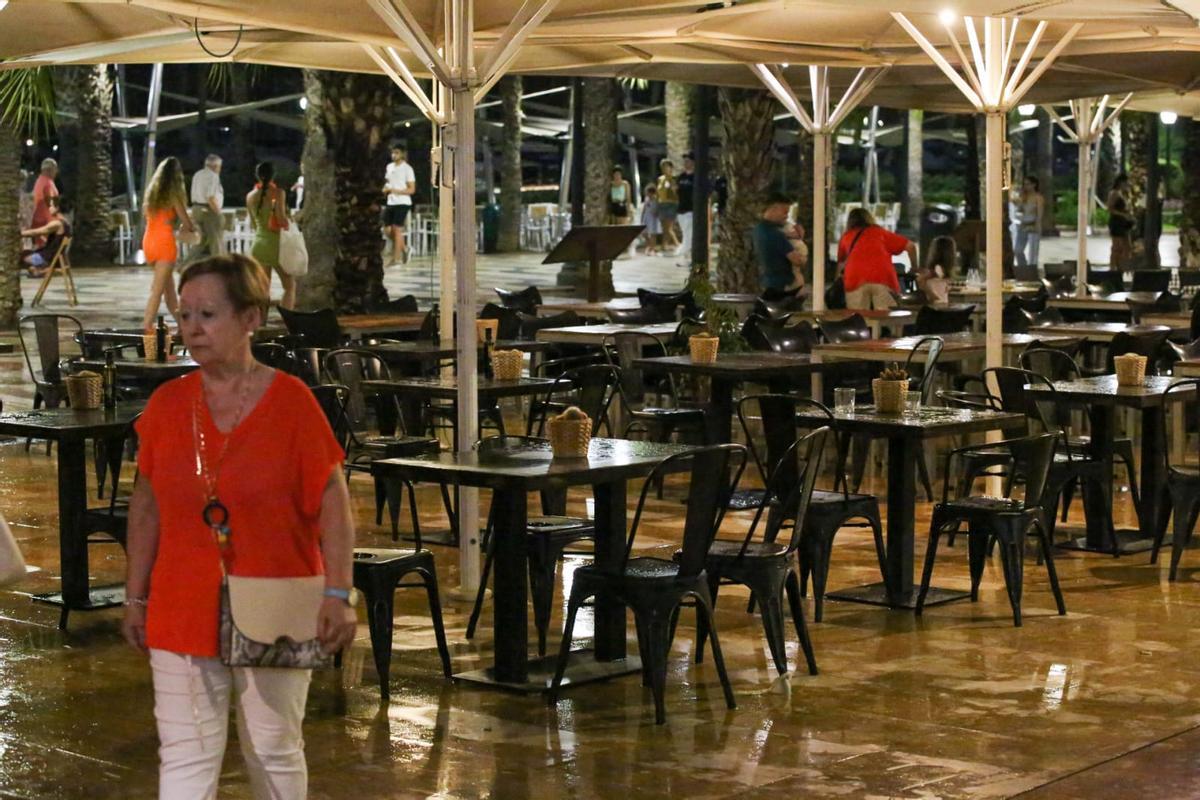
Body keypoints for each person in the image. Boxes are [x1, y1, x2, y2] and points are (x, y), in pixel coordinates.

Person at [121, 253, 356, 800]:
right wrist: (135, 597)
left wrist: (338, 592)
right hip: (182, 603)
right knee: (184, 755)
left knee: (273, 750)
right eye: (184, 316)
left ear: (250, 318)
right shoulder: (167, 404)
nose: (192, 330)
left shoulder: (292, 403)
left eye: (207, 314)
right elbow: (146, 505)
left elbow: (333, 503)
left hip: (277, 597)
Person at [141, 156, 195, 331]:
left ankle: (182, 325)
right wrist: (185, 226)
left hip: (149, 240)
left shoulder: (151, 194)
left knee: (168, 291)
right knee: (157, 291)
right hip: (164, 242)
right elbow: (187, 223)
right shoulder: (173, 195)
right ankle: (147, 328)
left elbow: (146, 215)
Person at [838, 207, 917, 310]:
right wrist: (914, 267)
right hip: (883, 277)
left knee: (859, 319)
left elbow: (841, 263)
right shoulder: (880, 233)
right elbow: (910, 246)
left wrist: (838, 280)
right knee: (887, 318)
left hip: (855, 278)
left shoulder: (846, 237)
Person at [247, 161, 295, 310]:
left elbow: (253, 225)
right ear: (274, 175)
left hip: (259, 245)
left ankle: (260, 325)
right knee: (289, 286)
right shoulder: (278, 193)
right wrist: (292, 221)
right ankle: (288, 321)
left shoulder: (250, 196)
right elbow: (281, 219)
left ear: (257, 176)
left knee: (263, 290)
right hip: (276, 245)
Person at [753, 193, 808, 296]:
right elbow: (797, 260)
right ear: (773, 209)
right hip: (784, 285)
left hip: (768, 281)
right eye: (784, 212)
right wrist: (803, 256)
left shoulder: (759, 229)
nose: (786, 216)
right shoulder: (775, 234)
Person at [19, 195, 71, 278]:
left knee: (19, 256)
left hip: (47, 258)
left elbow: (36, 232)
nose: (49, 208)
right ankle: (37, 270)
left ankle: (41, 270)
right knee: (26, 253)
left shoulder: (57, 224)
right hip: (54, 256)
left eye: (51, 206)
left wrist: (19, 234)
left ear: (57, 208)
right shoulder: (66, 223)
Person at [383, 144, 416, 266]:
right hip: (391, 201)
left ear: (402, 154)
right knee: (387, 230)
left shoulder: (408, 169)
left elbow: (412, 189)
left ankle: (396, 258)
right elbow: (388, 182)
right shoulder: (389, 167)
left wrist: (397, 191)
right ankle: (405, 249)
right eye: (392, 152)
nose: (394, 155)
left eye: (396, 152)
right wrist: (386, 189)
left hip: (403, 202)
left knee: (397, 229)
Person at [189, 154, 226, 260]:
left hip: (196, 208)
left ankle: (185, 265)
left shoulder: (197, 174)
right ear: (215, 166)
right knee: (216, 240)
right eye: (219, 167)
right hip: (209, 210)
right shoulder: (213, 176)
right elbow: (210, 197)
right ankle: (220, 264)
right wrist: (218, 213)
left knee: (202, 241)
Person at [1014, 175, 1044, 270]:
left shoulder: (1038, 198)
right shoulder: (1024, 197)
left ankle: (1031, 271)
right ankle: (1023, 268)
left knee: (1032, 253)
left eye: (1028, 184)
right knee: (1018, 250)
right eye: (1025, 184)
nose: (1026, 186)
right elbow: (1018, 210)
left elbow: (1039, 214)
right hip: (1023, 225)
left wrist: (1037, 226)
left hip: (1033, 225)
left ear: (1034, 185)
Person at [917, 236, 955, 305]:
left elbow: (920, 280)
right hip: (941, 304)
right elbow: (920, 280)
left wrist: (934, 296)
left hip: (939, 305)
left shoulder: (938, 269)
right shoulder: (940, 269)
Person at [30, 158, 60, 245]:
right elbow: (50, 204)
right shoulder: (48, 183)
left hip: (37, 219)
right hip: (46, 222)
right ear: (51, 170)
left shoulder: (39, 181)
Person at [1108, 173, 1135, 269]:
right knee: (1116, 246)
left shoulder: (1123, 193)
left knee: (1127, 246)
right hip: (1117, 223)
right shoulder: (1114, 193)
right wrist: (1123, 215)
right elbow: (1110, 208)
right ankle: (1113, 267)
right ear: (1121, 182)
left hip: (1123, 223)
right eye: (1126, 182)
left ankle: (1121, 266)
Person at [674, 152, 695, 260]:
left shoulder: (696, 177)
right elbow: (677, 191)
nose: (686, 163)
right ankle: (686, 256)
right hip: (681, 209)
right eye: (685, 161)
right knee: (685, 233)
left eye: (688, 161)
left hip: (691, 210)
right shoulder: (681, 177)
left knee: (688, 234)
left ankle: (685, 256)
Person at [655, 158, 679, 251]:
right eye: (664, 167)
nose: (665, 169)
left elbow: (676, 192)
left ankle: (677, 244)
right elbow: (658, 192)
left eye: (667, 167)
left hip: (671, 204)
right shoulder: (660, 179)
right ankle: (664, 245)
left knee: (669, 228)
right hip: (662, 204)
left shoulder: (673, 179)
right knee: (664, 227)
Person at [639, 185, 661, 255]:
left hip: (653, 218)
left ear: (651, 192)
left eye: (647, 192)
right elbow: (644, 208)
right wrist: (642, 218)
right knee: (644, 233)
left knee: (652, 234)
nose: (646, 194)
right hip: (646, 217)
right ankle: (649, 246)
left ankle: (652, 249)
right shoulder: (646, 199)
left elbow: (657, 211)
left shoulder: (656, 200)